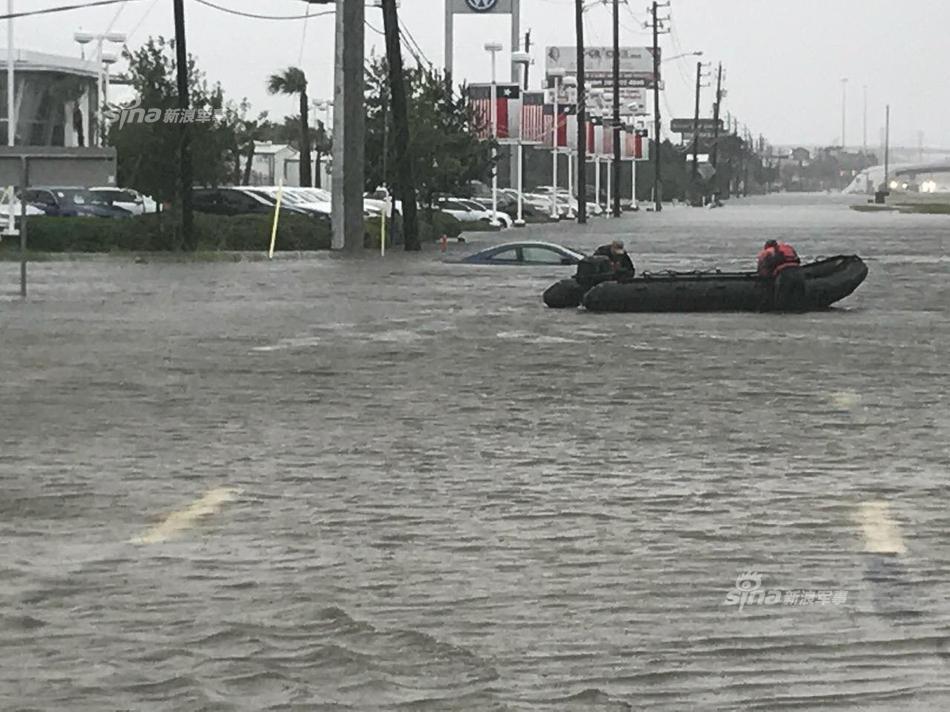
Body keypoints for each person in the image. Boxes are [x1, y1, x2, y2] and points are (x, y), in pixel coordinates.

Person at [756, 239, 805, 310]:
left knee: (781, 301)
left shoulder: (768, 251)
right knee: (799, 300)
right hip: (799, 273)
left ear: (766, 246)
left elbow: (762, 270)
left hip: (784, 275)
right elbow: (798, 260)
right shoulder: (788, 248)